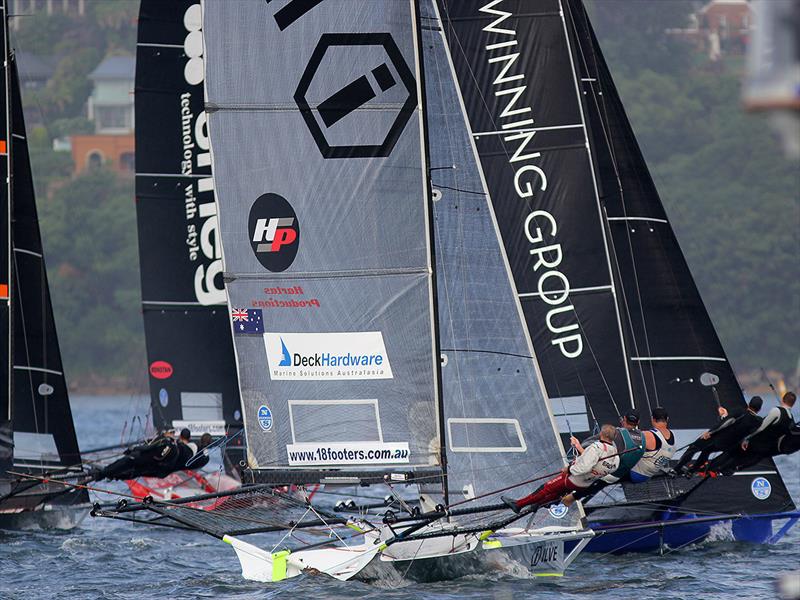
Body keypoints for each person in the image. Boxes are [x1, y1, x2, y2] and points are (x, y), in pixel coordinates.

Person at [501, 424, 619, 513]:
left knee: (545, 488)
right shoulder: (614, 454)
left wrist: (569, 469)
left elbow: (584, 466)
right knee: (556, 493)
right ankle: (537, 505)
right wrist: (578, 447)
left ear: (602, 434)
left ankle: (518, 505)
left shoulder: (596, 447)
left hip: (573, 478)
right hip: (584, 484)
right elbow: (605, 466)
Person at [561, 411, 646, 506]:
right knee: (597, 485)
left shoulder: (617, 434)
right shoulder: (643, 437)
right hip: (617, 476)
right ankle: (573, 497)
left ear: (624, 419)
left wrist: (578, 446)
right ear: (638, 422)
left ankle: (564, 491)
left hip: (604, 470)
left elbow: (592, 451)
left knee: (584, 471)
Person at [673, 396, 763, 476]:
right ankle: (692, 471)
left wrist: (710, 432)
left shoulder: (740, 411)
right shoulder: (758, 421)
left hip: (717, 438)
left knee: (693, 448)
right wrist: (724, 415)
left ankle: (676, 469)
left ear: (748, 404)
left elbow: (726, 423)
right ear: (759, 409)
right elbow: (747, 431)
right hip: (728, 446)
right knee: (706, 451)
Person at [711, 391, 796, 474]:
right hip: (766, 447)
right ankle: (731, 468)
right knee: (753, 458)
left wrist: (747, 438)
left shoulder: (777, 411)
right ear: (793, 403)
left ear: (783, 399)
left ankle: (715, 467)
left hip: (757, 442)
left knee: (735, 449)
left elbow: (761, 428)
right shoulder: (790, 418)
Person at [92, 431, 181, 481]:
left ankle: (102, 474)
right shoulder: (175, 447)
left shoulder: (164, 440)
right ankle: (113, 476)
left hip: (142, 458)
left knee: (123, 462)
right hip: (152, 466)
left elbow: (147, 447)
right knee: (134, 473)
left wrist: (132, 449)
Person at [628, 407, 675, 482]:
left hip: (635, 474)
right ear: (667, 419)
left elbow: (625, 438)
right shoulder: (672, 435)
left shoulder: (648, 435)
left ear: (652, 419)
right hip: (649, 474)